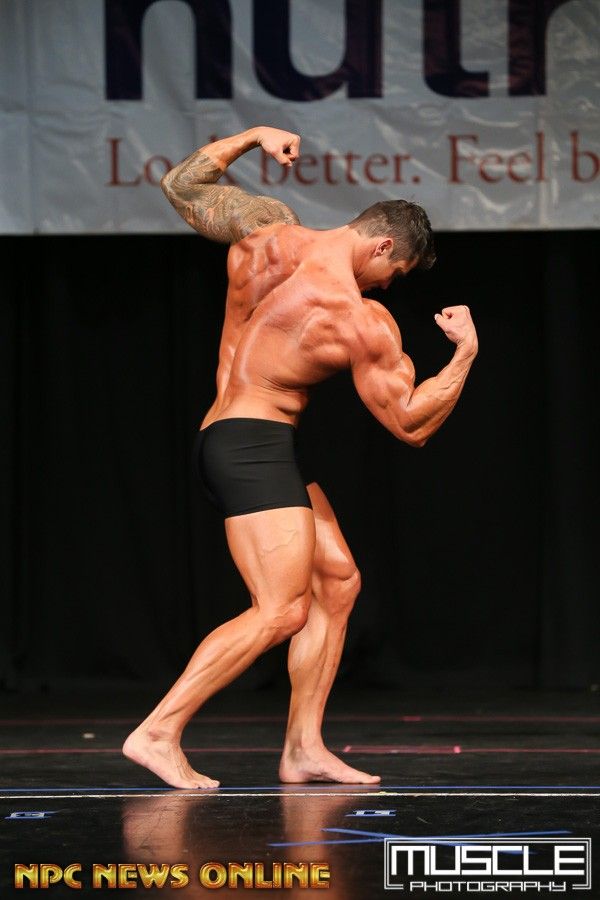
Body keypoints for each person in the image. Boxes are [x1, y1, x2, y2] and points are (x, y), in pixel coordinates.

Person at [123, 126, 478, 789]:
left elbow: (182, 184)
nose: (387, 286)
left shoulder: (270, 232)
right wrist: (465, 354)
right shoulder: (355, 317)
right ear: (381, 246)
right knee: (281, 610)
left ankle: (303, 748)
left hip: (236, 435)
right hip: (250, 446)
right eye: (395, 274)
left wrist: (254, 135)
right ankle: (158, 731)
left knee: (337, 581)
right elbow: (410, 425)